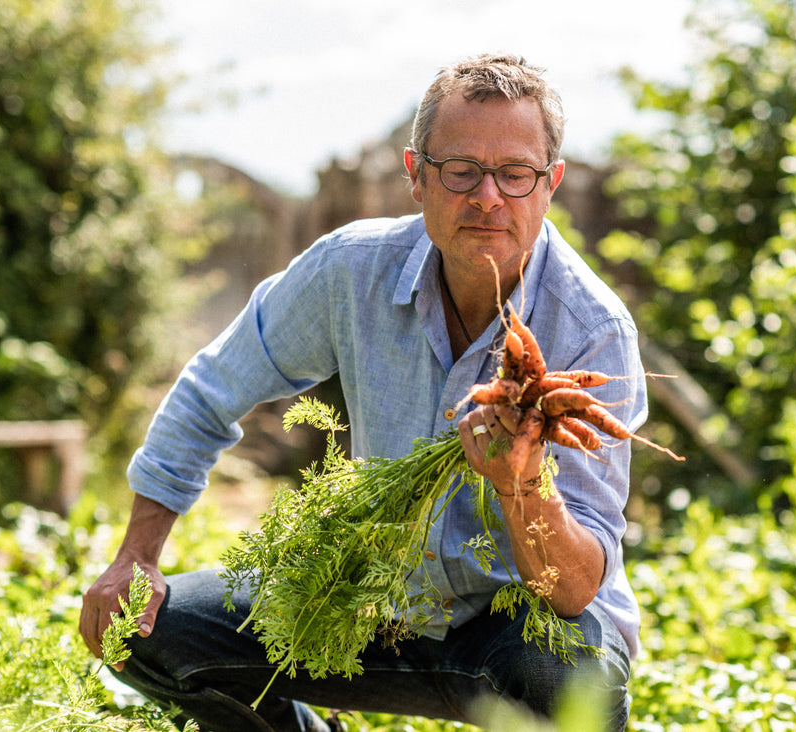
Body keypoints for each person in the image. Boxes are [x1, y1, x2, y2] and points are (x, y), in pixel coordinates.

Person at [80, 53, 648, 732]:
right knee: (138, 629)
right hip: (372, 605)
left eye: (515, 173)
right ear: (416, 176)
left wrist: (521, 484)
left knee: (570, 670)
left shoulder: (591, 328)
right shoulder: (350, 271)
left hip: (511, 635)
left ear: (549, 183)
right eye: (460, 170)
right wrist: (136, 556)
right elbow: (210, 390)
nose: (487, 196)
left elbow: (577, 589)